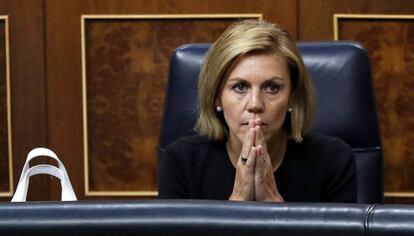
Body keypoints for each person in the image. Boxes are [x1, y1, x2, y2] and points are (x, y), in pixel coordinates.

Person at [158, 19, 357, 202]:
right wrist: (236, 203)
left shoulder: (333, 160)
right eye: (240, 87)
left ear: (293, 97)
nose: (255, 104)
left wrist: (275, 209)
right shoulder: (181, 161)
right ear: (217, 96)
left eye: (272, 87)